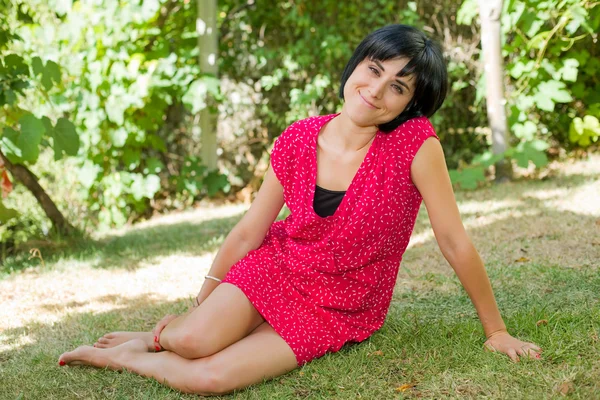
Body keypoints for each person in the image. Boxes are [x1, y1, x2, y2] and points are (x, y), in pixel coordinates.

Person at [58, 24, 542, 395]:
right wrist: (199, 308)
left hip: (340, 301)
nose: (376, 89)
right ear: (355, 67)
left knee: (209, 378)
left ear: (409, 105)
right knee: (190, 342)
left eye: (398, 86)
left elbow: (453, 239)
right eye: (374, 69)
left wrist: (495, 330)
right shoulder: (298, 137)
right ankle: (161, 335)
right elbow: (251, 231)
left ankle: (126, 357)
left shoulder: (417, 146)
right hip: (278, 267)